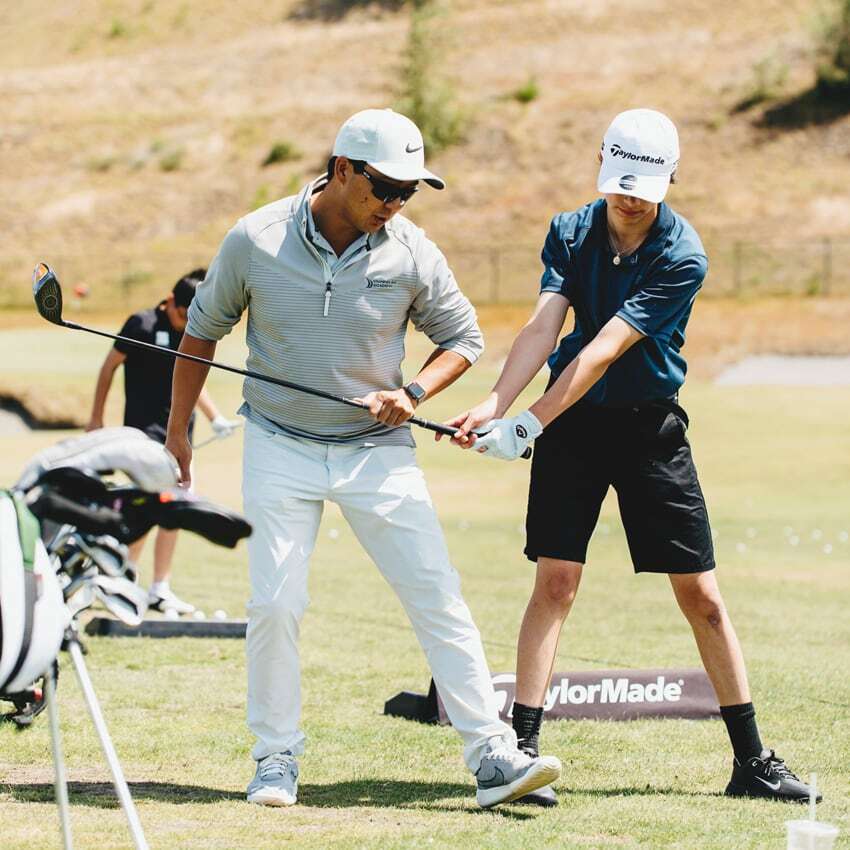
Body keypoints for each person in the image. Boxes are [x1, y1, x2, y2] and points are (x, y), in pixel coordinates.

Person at [164, 108, 561, 808]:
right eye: (385, 188)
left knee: (436, 594)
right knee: (276, 603)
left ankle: (493, 755)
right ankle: (275, 759)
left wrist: (412, 392)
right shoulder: (256, 238)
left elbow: (463, 340)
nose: (395, 204)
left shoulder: (410, 250)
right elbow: (201, 335)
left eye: (409, 192)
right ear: (342, 169)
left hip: (376, 452)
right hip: (280, 444)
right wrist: (178, 434)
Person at [445, 109, 819, 805]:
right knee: (555, 584)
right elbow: (544, 327)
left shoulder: (683, 254)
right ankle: (521, 757)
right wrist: (497, 403)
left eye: (644, 187)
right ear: (601, 165)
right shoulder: (569, 229)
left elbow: (602, 350)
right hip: (573, 431)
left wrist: (527, 424)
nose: (630, 198)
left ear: (671, 179)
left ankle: (751, 761)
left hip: (649, 430)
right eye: (620, 183)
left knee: (701, 596)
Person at [86, 269, 239, 614]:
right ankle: (123, 579)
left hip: (181, 439)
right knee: (148, 508)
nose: (185, 322)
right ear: (170, 301)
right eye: (182, 314)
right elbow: (109, 367)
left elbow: (188, 380)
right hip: (144, 436)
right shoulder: (139, 325)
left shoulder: (192, 333)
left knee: (174, 509)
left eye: (191, 317)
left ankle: (158, 587)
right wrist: (96, 417)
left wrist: (215, 419)